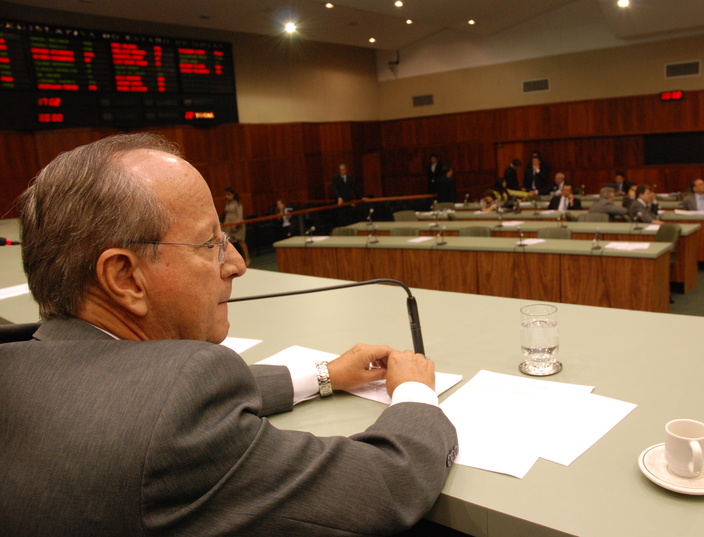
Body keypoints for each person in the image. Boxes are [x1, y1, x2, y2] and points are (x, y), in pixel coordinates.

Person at [1, 133, 458, 536]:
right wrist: (414, 392)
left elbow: (143, 394)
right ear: (124, 277)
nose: (237, 263)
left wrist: (325, 374)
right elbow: (387, 485)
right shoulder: (173, 414)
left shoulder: (20, 361)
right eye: (211, 243)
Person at [222, 186, 251, 266]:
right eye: (226, 194)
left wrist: (235, 225)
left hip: (238, 225)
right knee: (228, 243)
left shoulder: (237, 203)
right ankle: (231, 261)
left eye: (228, 194)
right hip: (229, 225)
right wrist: (224, 224)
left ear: (233, 194)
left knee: (241, 242)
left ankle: (247, 258)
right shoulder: (227, 203)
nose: (227, 196)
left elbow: (239, 215)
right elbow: (227, 215)